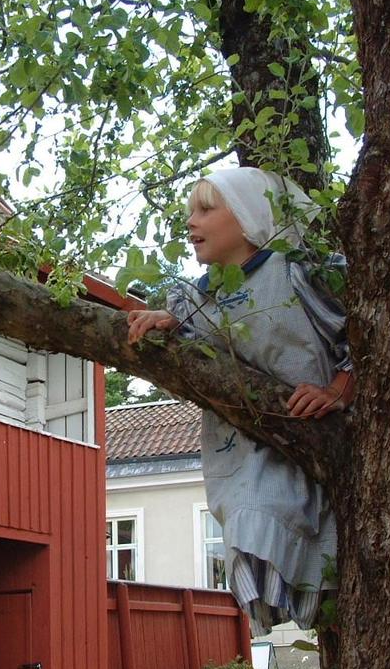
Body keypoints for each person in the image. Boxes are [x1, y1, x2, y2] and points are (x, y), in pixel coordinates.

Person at [125, 166, 354, 634]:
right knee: (250, 526)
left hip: (311, 436)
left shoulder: (296, 274)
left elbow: (360, 334)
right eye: (190, 211)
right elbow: (188, 373)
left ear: (249, 215)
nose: (191, 222)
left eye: (206, 209)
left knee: (289, 523)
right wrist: (168, 328)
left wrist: (337, 390)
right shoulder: (193, 300)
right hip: (240, 453)